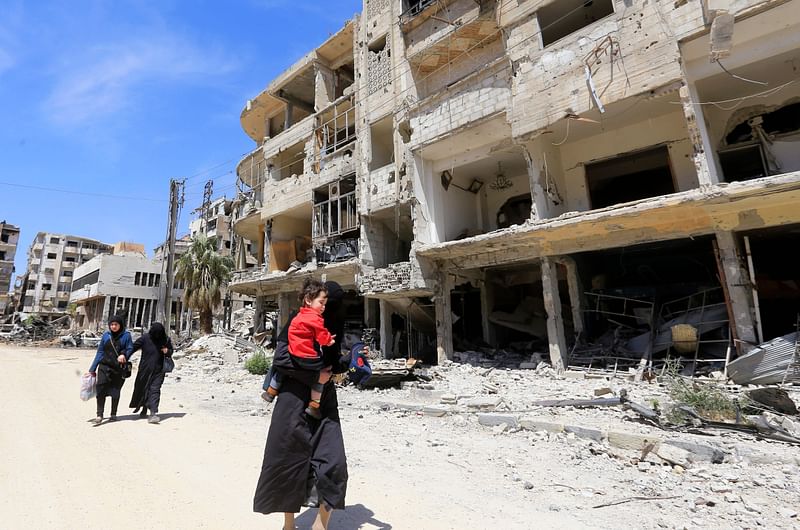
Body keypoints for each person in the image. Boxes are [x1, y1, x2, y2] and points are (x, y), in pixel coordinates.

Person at [254, 280, 350, 530]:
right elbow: (282, 359)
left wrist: (346, 362)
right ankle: (288, 525)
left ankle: (321, 525)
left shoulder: (331, 327)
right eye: (325, 303)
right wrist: (315, 375)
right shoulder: (300, 320)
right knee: (289, 461)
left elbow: (333, 363)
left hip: (324, 400)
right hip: (293, 399)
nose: (330, 309)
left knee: (334, 463)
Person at [263, 279, 335, 420]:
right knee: (320, 379)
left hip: (293, 353)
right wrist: (329, 340)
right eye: (321, 303)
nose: (323, 308)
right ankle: (314, 405)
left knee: (280, 372)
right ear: (308, 300)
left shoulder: (298, 317)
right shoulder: (316, 319)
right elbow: (322, 336)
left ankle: (271, 390)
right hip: (307, 360)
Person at [87, 315, 133, 425]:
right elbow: (100, 352)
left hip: (118, 368)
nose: (113, 327)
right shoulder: (106, 335)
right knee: (101, 389)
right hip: (104, 367)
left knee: (115, 391)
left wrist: (124, 355)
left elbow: (130, 348)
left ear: (120, 325)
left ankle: (113, 414)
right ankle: (99, 415)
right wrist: (92, 368)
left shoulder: (126, 336)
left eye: (116, 324)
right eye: (112, 324)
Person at [129, 322, 173, 424]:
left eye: (159, 333)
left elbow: (171, 351)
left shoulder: (165, 339)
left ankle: (153, 413)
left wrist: (167, 351)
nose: (157, 335)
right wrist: (123, 355)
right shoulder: (145, 338)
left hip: (159, 370)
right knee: (143, 388)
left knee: (154, 390)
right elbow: (133, 348)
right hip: (144, 370)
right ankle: (144, 408)